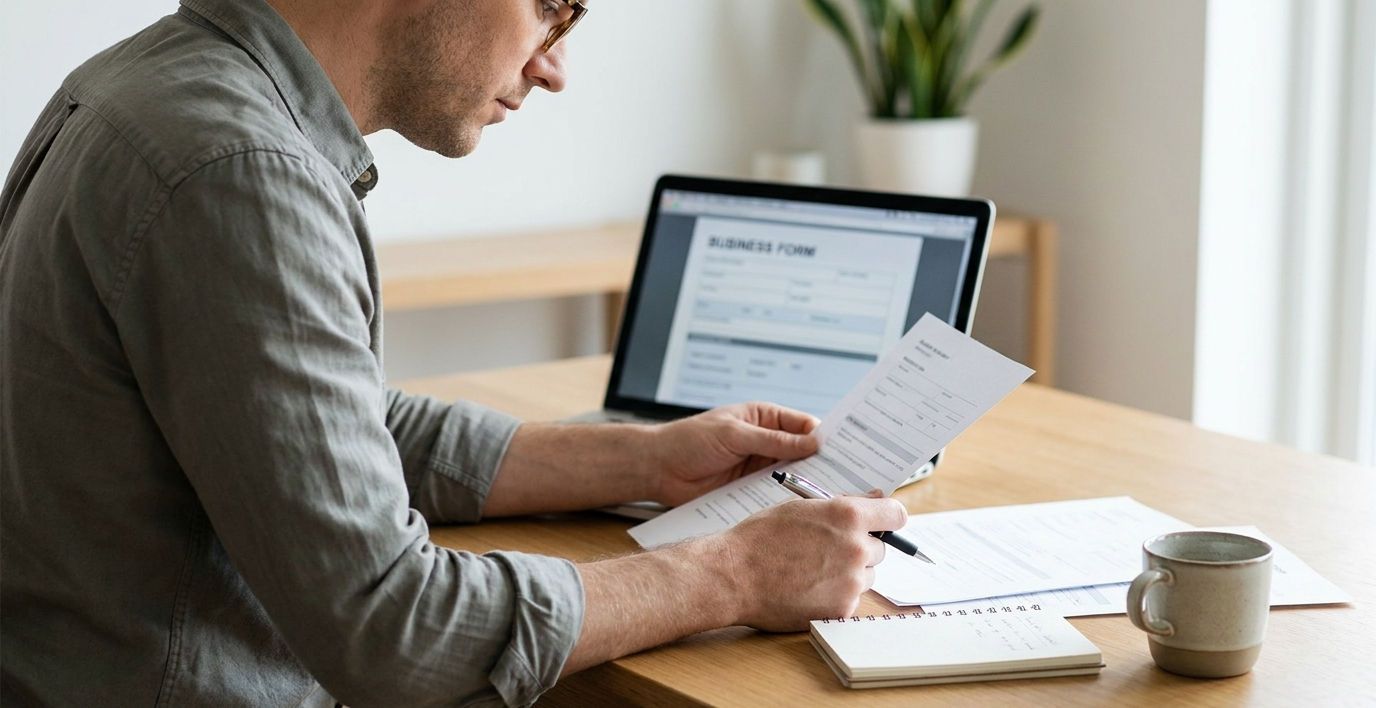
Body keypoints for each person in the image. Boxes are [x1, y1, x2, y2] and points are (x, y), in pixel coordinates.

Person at [0, 0, 907, 705]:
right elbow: (392, 632)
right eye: (555, 8)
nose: (554, 68)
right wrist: (737, 572)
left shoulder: (149, 83)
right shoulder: (240, 171)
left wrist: (643, 458)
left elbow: (324, 426)